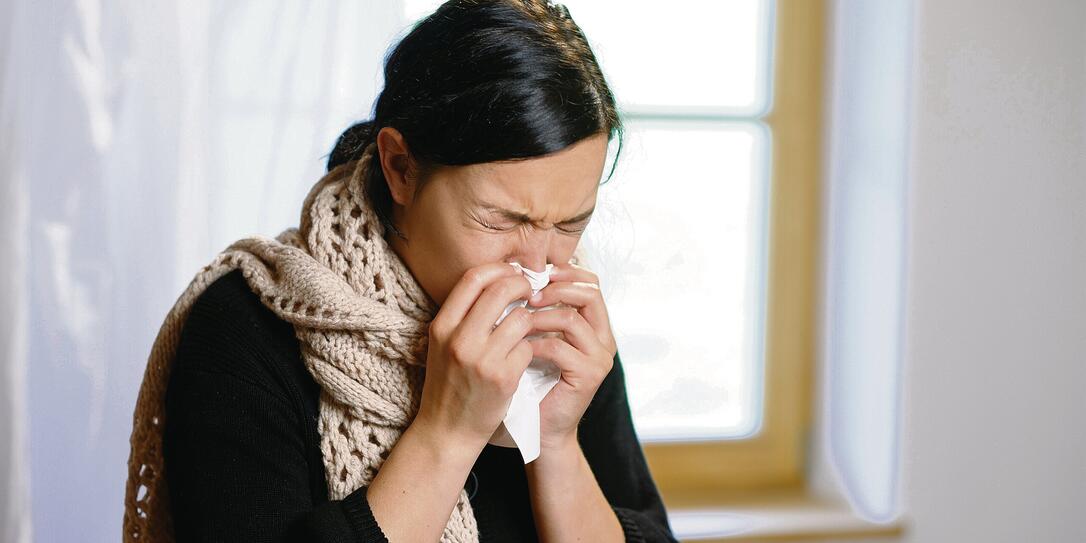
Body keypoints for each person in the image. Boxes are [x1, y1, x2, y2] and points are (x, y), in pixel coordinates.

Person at [127, 0, 678, 541]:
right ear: (401, 169)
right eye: (502, 220)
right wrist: (447, 433)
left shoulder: (562, 323)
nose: (538, 265)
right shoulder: (246, 331)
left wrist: (556, 443)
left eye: (570, 224)